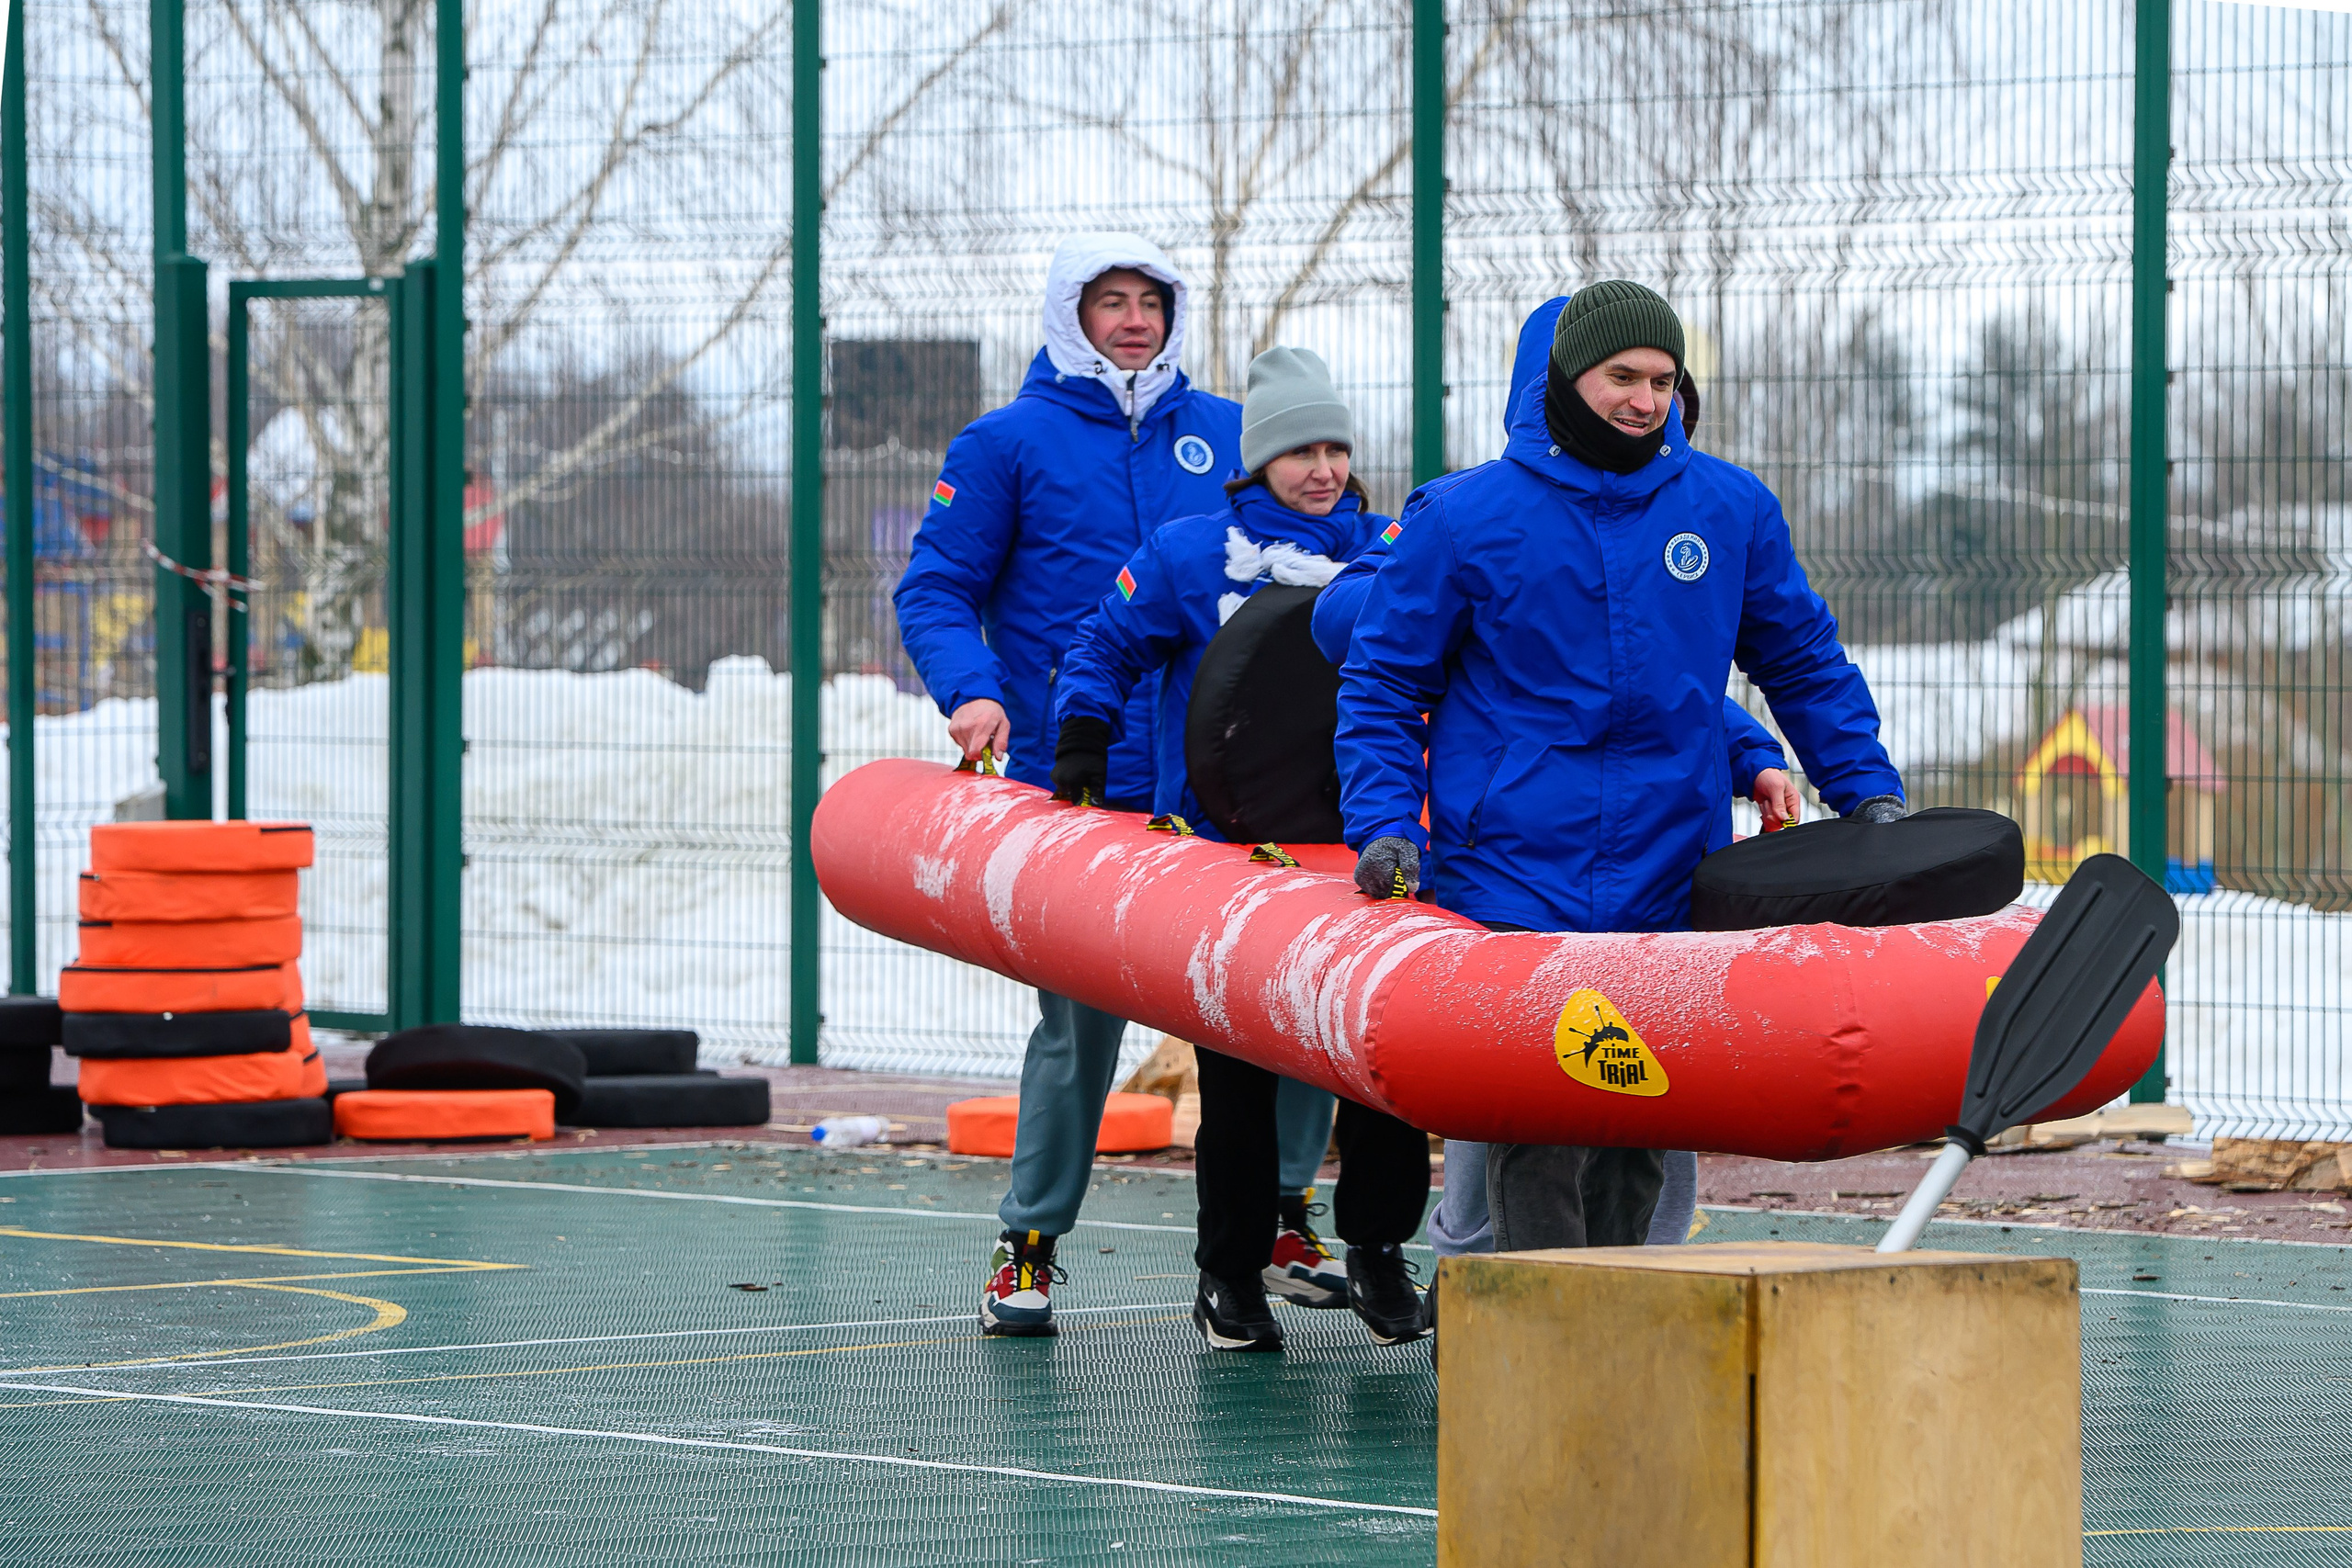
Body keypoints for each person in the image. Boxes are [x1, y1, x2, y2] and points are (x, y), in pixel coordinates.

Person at [1333, 280, 1905, 1269]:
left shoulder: (1728, 509)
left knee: (1643, 1120)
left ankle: (1637, 1329)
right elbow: (1383, 682)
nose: (1643, 399)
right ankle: (1530, 1344)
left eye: (1660, 379)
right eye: (1619, 377)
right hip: (1514, 871)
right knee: (1536, 1129)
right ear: (1566, 378)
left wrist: (1868, 793)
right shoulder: (1465, 517)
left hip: (1666, 866)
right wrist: (1386, 822)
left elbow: (1802, 661)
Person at [895, 234, 1241, 1337]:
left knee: (1258, 1014)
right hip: (1078, 782)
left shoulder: (1229, 435)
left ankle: (1272, 1234)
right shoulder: (1006, 444)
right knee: (1080, 1023)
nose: (1134, 320)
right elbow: (937, 586)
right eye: (1111, 302)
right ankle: (1028, 1244)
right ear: (1070, 314)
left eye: (1151, 302)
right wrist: (973, 689)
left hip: (1220, 785)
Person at [1053, 347, 1433, 1351]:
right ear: (1257, 461)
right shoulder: (1191, 552)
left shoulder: (1390, 554)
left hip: (1362, 850)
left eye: (1336, 449)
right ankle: (1229, 1275)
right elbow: (1103, 642)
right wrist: (1085, 733)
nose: (1322, 470)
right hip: (1228, 860)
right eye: (1300, 450)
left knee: (1380, 1066)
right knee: (1235, 1086)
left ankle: (1379, 1249)